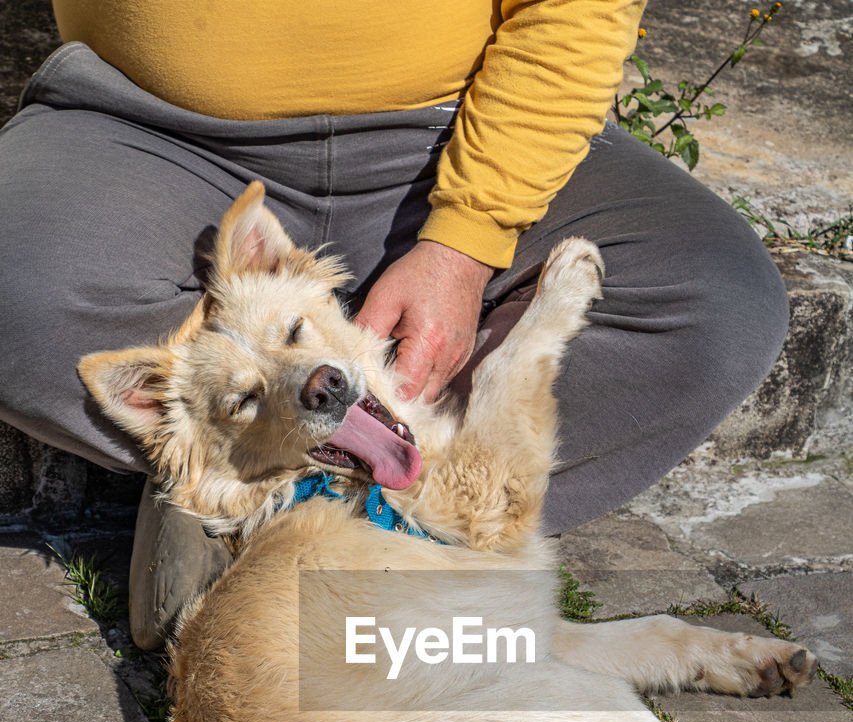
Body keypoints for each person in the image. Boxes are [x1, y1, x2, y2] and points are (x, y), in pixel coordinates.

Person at [0, 2, 789, 647]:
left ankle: (375, 528)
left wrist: (468, 237)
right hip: (148, 133)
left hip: (452, 121)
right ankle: (230, 476)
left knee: (717, 307)